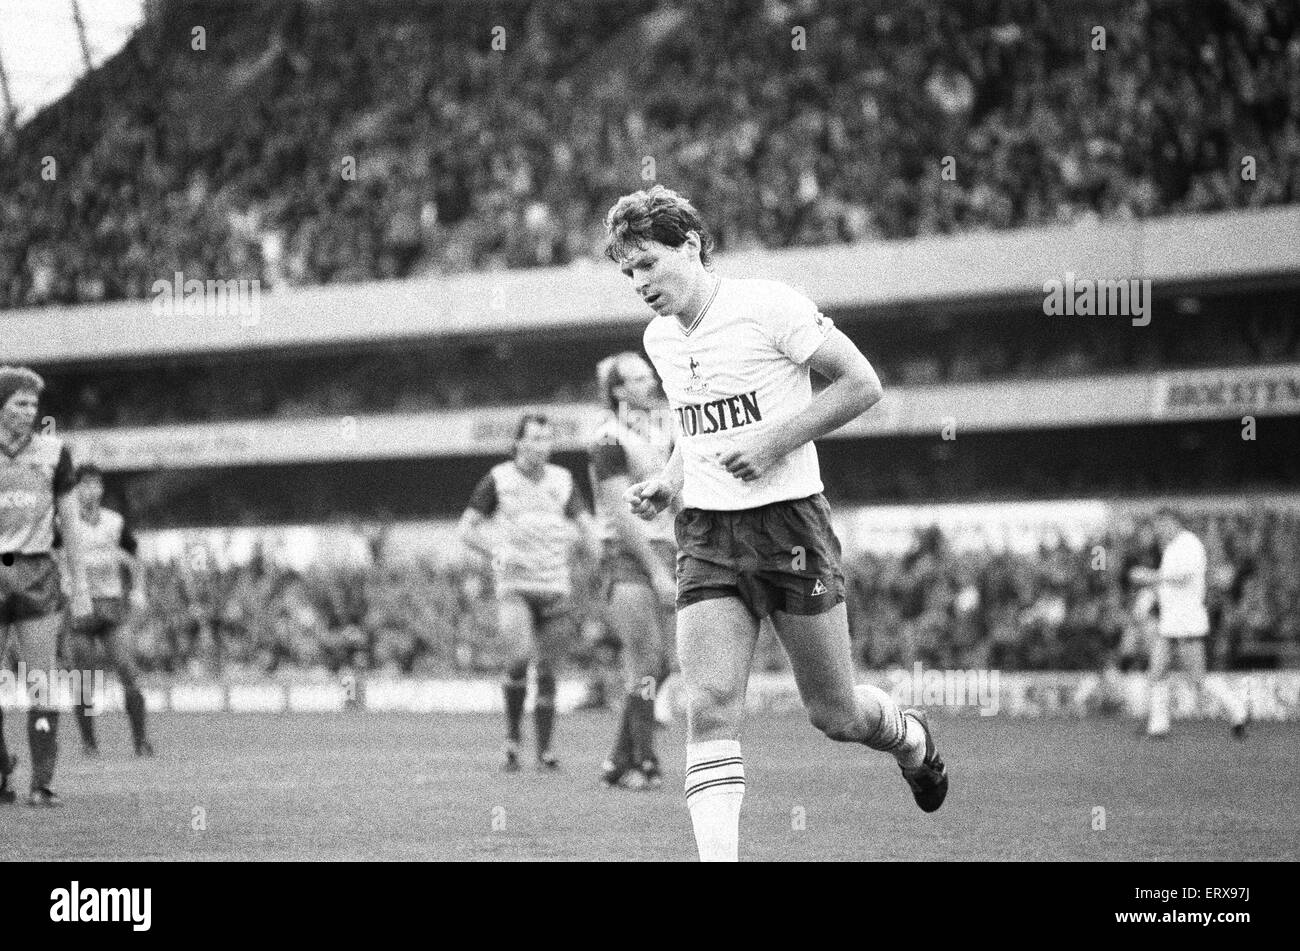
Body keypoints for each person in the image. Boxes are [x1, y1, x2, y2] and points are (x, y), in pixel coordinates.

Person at [603, 186, 947, 862]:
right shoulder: (658, 339)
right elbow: (692, 421)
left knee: (835, 713)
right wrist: (669, 481)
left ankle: (910, 737)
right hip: (706, 533)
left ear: (691, 245)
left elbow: (861, 383)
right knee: (710, 703)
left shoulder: (769, 307)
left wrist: (771, 444)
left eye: (646, 263)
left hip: (790, 528)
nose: (639, 283)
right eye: (628, 272)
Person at [458, 413, 598, 771]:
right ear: (518, 443)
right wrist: (496, 551)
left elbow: (585, 526)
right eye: (534, 438)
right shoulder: (498, 479)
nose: (541, 445)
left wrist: (596, 550)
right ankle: (512, 741)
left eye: (547, 439)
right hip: (515, 585)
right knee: (519, 657)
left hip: (555, 585)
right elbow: (467, 529)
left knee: (549, 670)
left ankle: (546, 751)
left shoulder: (563, 480)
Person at [0, 367, 93, 807]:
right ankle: (2, 768)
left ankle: (42, 781)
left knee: (41, 680)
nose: (29, 412)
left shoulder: (55, 452)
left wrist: (81, 584)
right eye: (19, 403)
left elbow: (71, 524)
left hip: (37, 572)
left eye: (34, 404)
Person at [588, 352, 678, 789]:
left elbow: (676, 493)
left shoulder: (662, 430)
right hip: (625, 555)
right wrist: (656, 571)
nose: (652, 382)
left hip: (665, 550)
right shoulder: (608, 438)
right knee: (646, 660)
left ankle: (617, 758)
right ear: (619, 391)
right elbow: (620, 512)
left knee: (663, 664)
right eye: (640, 378)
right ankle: (644, 762)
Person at [1129, 508, 1250, 739]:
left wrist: (1149, 576)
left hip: (1187, 620)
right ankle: (1158, 726)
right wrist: (1149, 594)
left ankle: (1238, 709)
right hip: (1171, 620)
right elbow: (1168, 582)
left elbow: (1183, 576)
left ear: (1171, 522)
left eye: (1160, 525)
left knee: (1197, 677)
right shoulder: (1172, 547)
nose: (1158, 531)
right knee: (1156, 671)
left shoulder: (1189, 544)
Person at [65, 464, 154, 757]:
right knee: (82, 676)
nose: (92, 490)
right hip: (79, 609)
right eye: (86, 484)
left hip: (111, 606)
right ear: (75, 488)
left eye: (97, 484)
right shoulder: (63, 523)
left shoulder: (115, 522)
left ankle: (141, 741)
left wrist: (138, 589)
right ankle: (89, 743)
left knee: (127, 668)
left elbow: (133, 556)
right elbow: (52, 557)